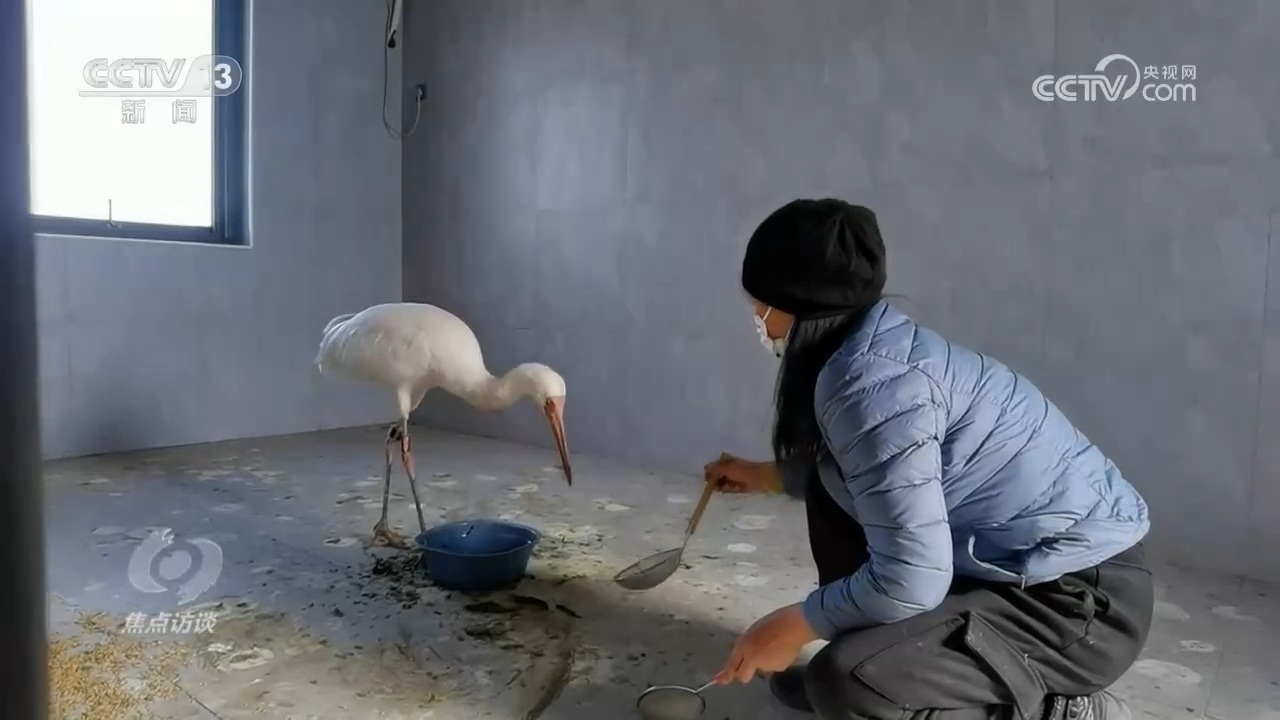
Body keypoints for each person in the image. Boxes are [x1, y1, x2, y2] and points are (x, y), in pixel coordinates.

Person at [703, 199, 1153, 720]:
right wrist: (765, 476)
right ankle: (896, 668)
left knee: (844, 684)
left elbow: (912, 576)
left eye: (762, 304)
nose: (757, 317)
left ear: (797, 303)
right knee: (833, 506)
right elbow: (865, 475)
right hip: (1021, 571)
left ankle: (1058, 708)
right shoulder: (868, 351)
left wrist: (797, 623)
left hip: (1077, 608)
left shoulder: (873, 389)